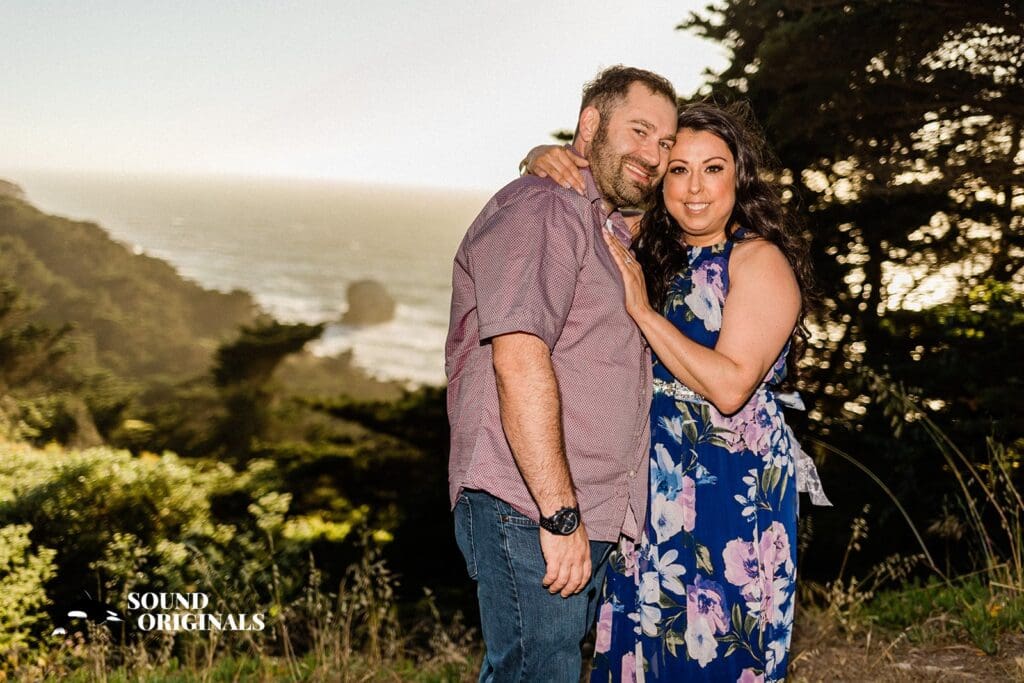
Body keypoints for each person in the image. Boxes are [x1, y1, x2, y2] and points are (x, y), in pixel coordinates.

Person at [524, 101, 830, 682]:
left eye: (713, 168)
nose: (694, 189)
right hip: (651, 482)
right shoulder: (652, 249)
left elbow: (732, 384)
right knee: (646, 643)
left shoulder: (758, 260)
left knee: (714, 646)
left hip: (732, 487)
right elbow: (601, 182)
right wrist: (543, 157)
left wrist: (641, 311)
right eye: (678, 169)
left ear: (738, 176)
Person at [445, 65, 679, 682]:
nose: (653, 154)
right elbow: (519, 355)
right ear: (590, 124)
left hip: (580, 506)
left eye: (664, 143)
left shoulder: (604, 224)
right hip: (531, 507)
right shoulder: (543, 207)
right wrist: (558, 514)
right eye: (640, 131)